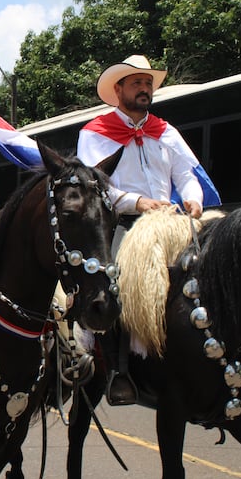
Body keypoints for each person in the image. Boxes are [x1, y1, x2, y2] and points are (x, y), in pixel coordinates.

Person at [76, 55, 205, 406]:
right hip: (123, 221)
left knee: (214, 267)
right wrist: (138, 202)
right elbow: (97, 184)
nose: (144, 88)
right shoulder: (96, 132)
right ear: (118, 90)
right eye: (137, 83)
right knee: (112, 281)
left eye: (147, 83)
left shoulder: (166, 132)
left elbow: (186, 175)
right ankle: (117, 370)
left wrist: (193, 199)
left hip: (171, 220)